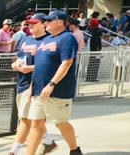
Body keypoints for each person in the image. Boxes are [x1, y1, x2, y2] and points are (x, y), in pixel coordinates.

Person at [24, 11, 82, 155]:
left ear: (60, 22)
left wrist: (51, 84)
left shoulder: (67, 38)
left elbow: (67, 62)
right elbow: (39, 66)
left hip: (57, 91)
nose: (46, 23)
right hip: (39, 90)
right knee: (36, 124)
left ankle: (75, 150)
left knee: (60, 123)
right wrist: (32, 87)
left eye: (49, 21)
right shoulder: (46, 39)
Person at [8, 13, 57, 155]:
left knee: (25, 120)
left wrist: (30, 69)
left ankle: (13, 151)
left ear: (43, 24)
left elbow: (50, 66)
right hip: (21, 83)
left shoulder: (48, 41)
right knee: (33, 119)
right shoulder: (26, 39)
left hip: (34, 85)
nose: (30, 25)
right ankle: (48, 142)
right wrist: (16, 64)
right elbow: (20, 57)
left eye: (34, 23)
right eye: (29, 23)